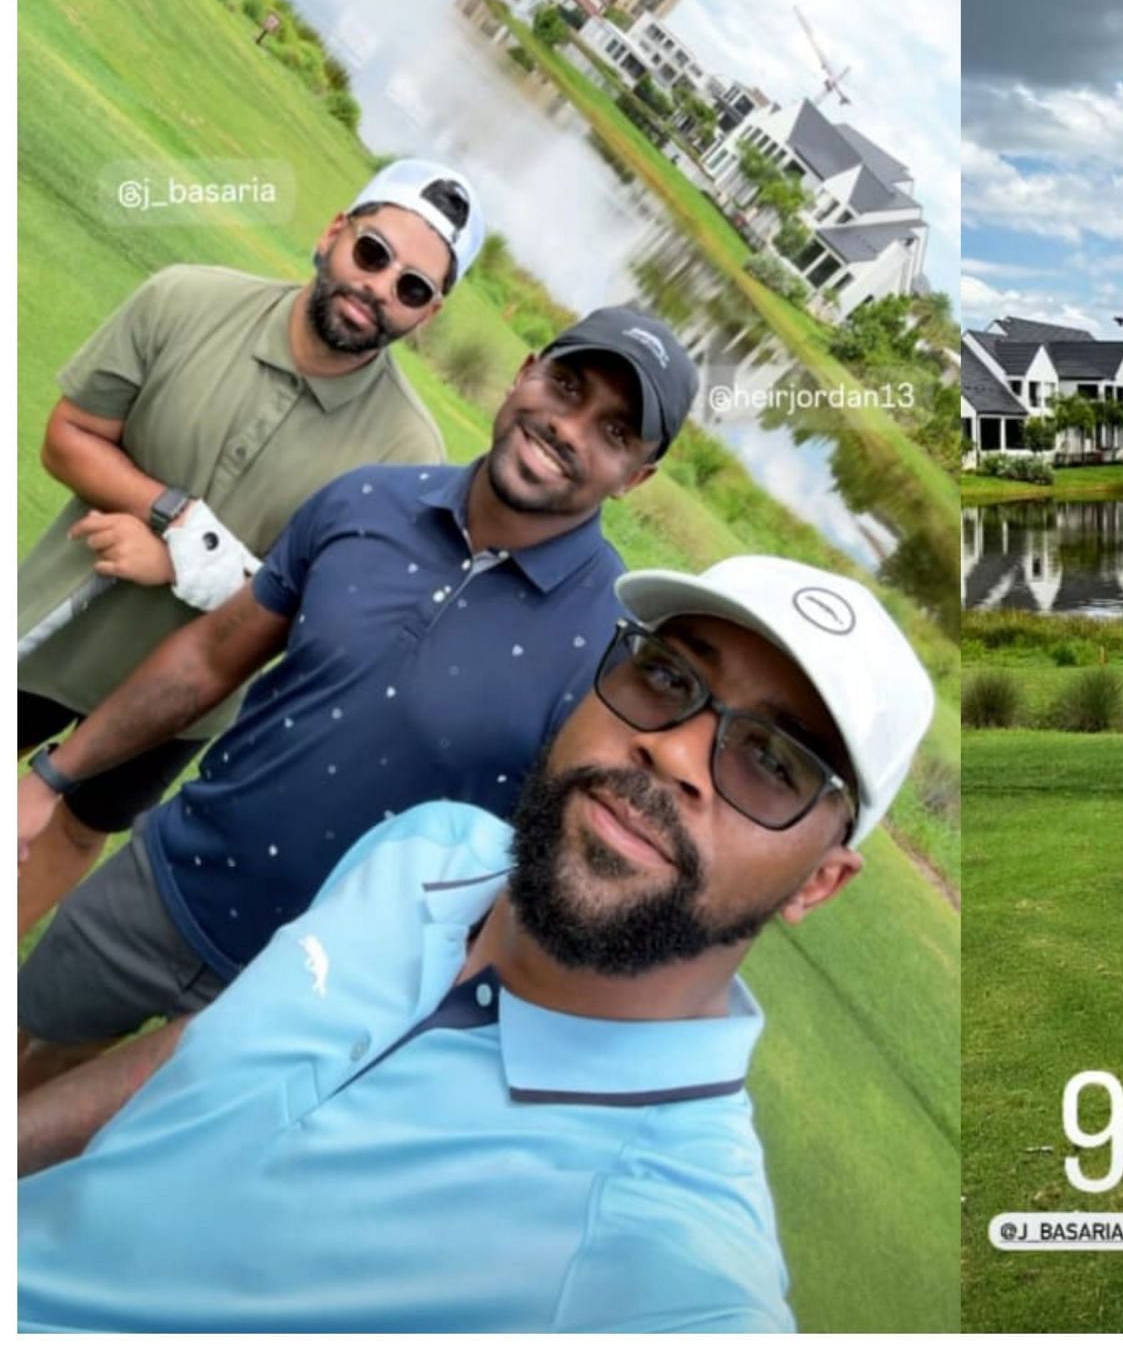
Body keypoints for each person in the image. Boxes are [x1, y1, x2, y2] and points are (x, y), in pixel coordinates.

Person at [18, 555, 936, 1333]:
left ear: (820, 880)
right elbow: (206, 1056)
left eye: (774, 764)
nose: (679, 753)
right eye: (666, 677)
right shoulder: (431, 846)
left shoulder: (668, 1262)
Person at [17, 306, 700, 1092]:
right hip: (168, 884)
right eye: (567, 385)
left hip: (316, 997)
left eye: (614, 432)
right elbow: (210, 657)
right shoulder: (365, 501)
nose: (567, 428)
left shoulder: (611, 656)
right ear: (526, 371)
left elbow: (544, 876)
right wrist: (53, 779)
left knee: (103, 1171)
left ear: (638, 477)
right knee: (27, 1057)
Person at [17, 159, 480, 937]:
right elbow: (68, 437)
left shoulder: (408, 457)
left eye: (413, 287)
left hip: (183, 704)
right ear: (334, 233)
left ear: (427, 315)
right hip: (57, 617)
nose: (380, 288)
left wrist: (184, 562)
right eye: (374, 253)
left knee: (78, 824)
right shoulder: (186, 298)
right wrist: (168, 511)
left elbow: (324, 622)